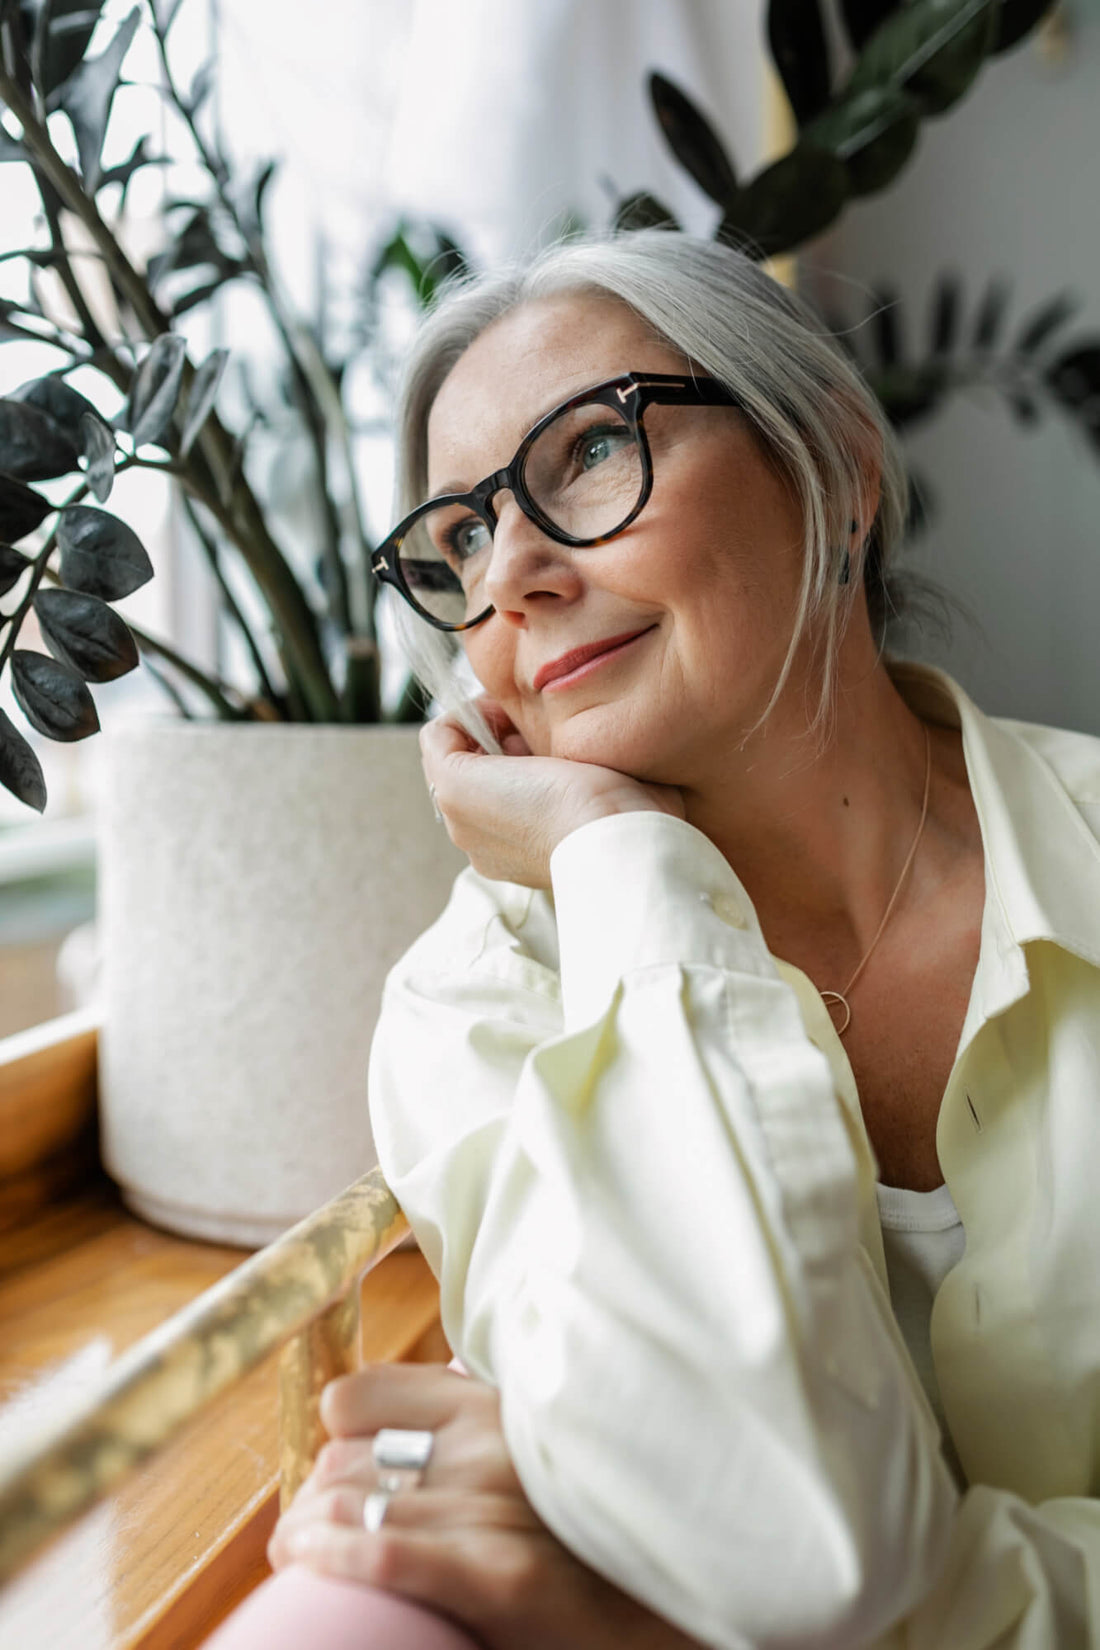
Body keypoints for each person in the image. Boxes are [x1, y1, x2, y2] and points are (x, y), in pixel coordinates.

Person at [204, 231, 1100, 1650]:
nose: (511, 578)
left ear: (837, 471)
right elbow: (798, 1542)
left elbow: (790, 1571)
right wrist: (615, 855)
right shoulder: (472, 1003)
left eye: (586, 455)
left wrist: (677, 1610)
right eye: (460, 536)